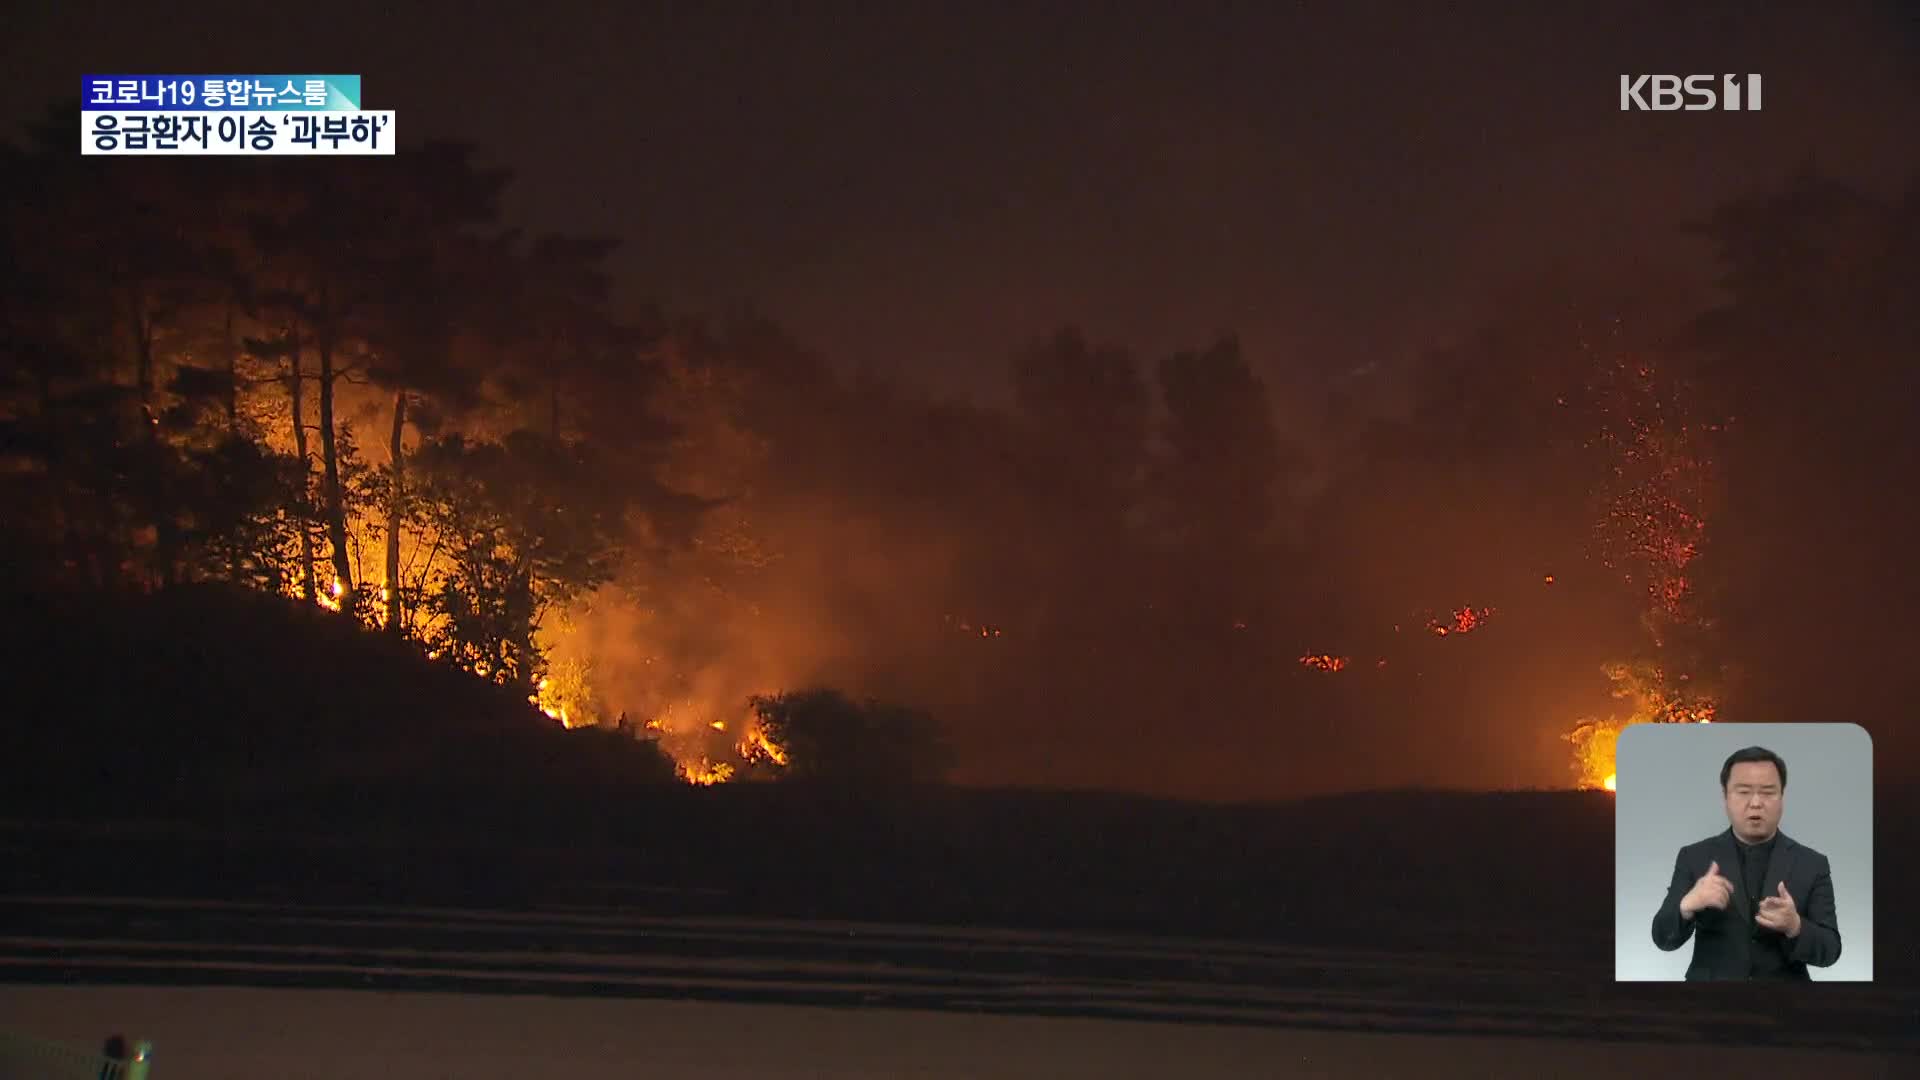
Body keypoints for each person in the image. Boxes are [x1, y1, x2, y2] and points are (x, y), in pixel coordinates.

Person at [1650, 745, 1842, 980]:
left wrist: (1796, 926)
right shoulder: (1694, 857)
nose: (1755, 803)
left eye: (1768, 792)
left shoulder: (1813, 864)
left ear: (1782, 796)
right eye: (1743, 792)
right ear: (1725, 796)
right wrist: (1687, 905)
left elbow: (1831, 950)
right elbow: (1662, 938)